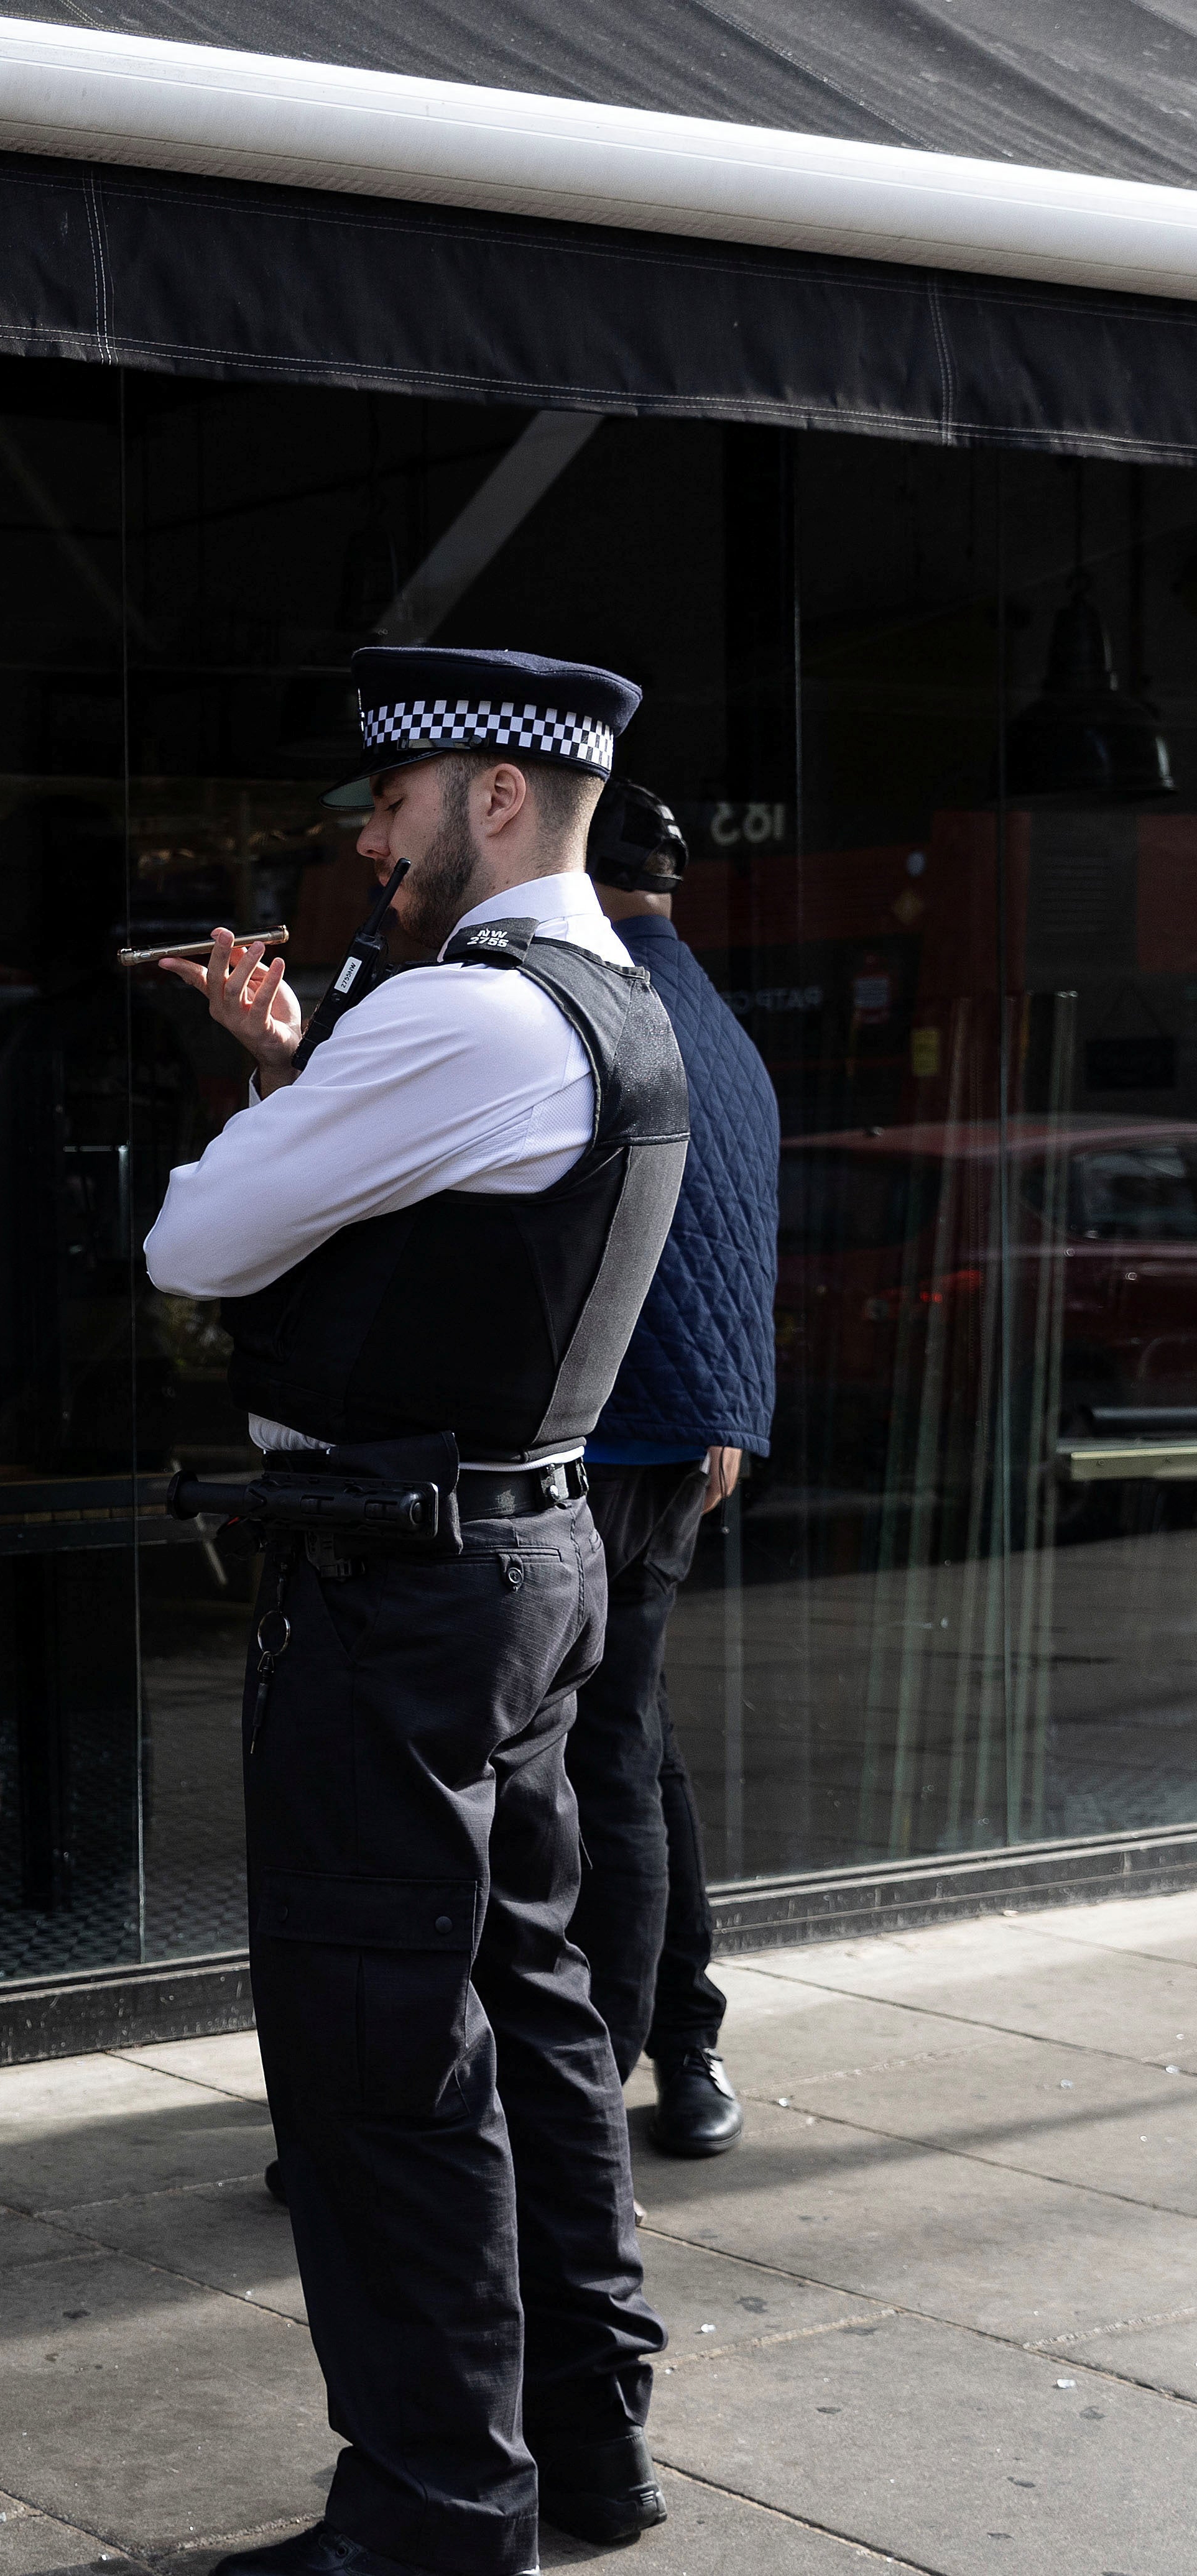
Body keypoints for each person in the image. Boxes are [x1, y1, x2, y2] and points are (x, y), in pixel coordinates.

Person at [144, 646, 690, 2576]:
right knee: (525, 2007)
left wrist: (281, 1100)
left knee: (379, 2057)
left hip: (400, 1590)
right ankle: (581, 2436)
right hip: (520, 1559)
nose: (361, 839)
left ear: (489, 801)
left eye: (390, 801)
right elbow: (442, 1240)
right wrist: (306, 1077)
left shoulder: (457, 1015)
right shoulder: (601, 1007)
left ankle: (436, 2511)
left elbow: (188, 1244)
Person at [571, 783, 776, 2160]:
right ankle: (681, 2040)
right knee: (632, 1752)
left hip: (593, 1447)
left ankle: (584, 2073)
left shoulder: (596, 1017)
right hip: (676, 1442)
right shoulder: (721, 1025)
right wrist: (729, 1412)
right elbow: (742, 1225)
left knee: (584, 1773)